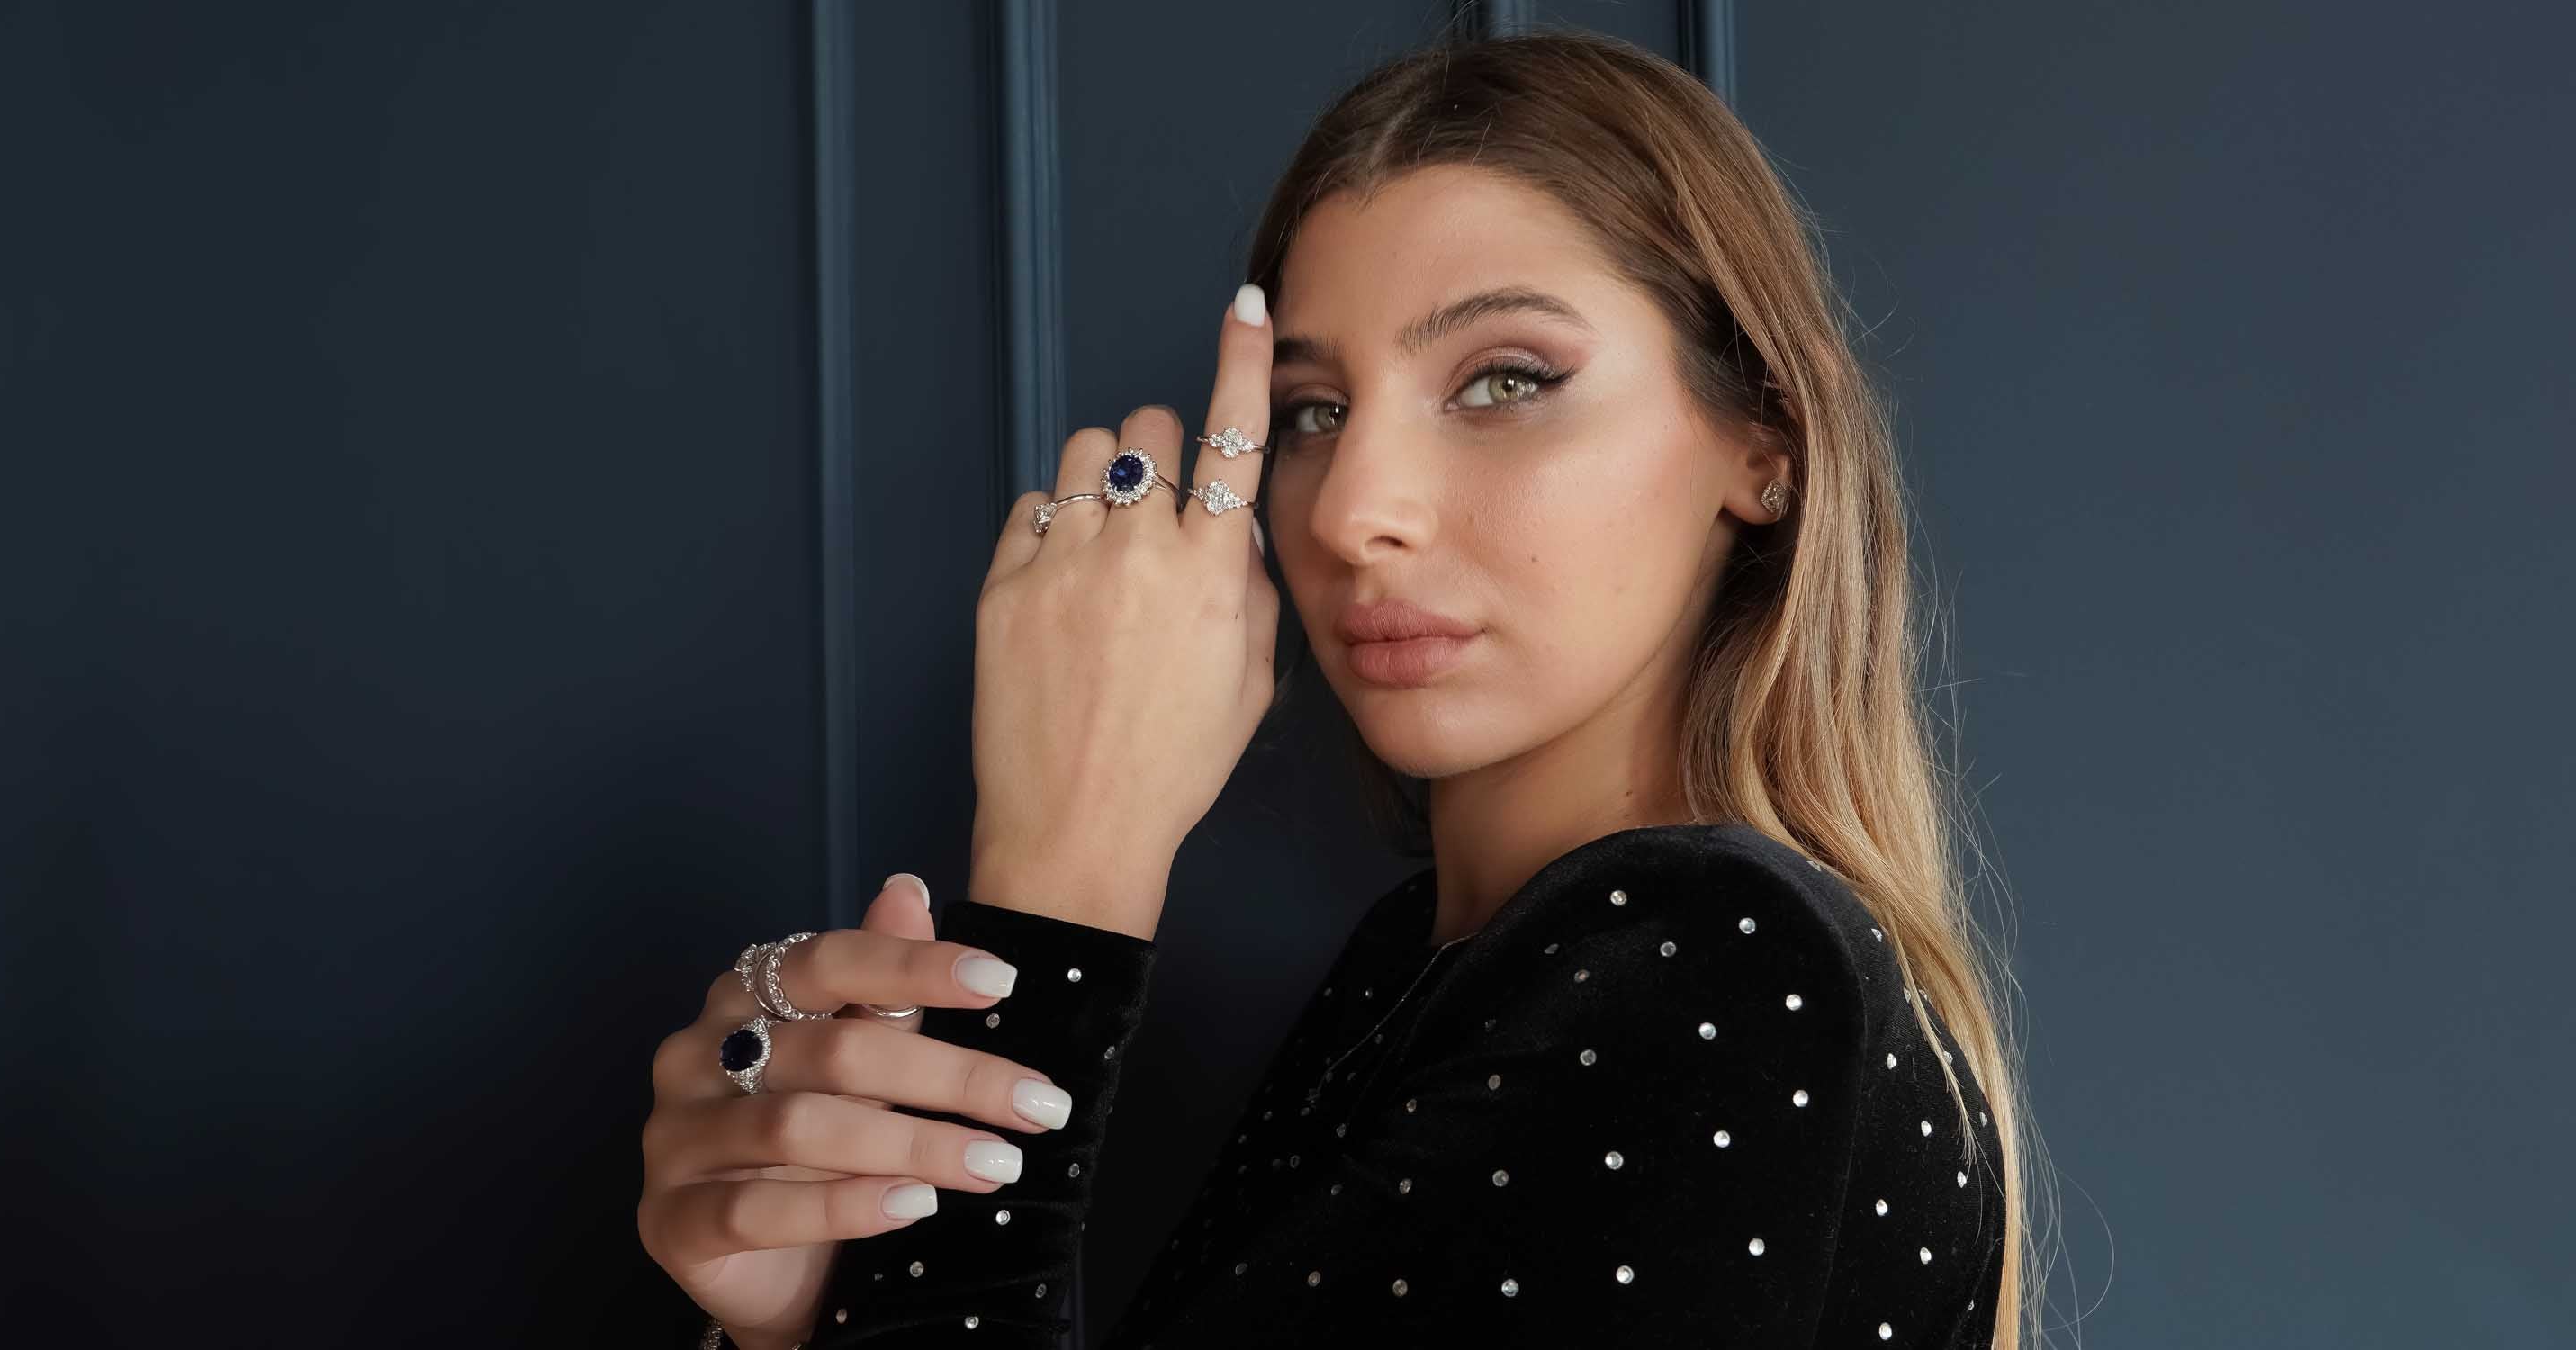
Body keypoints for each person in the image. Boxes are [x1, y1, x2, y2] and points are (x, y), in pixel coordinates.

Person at [635, 29, 2037, 1350]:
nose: (1355, 511)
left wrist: (1067, 861)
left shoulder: (1715, 955)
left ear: (1766, 446)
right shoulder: (1420, 971)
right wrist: (812, 1312)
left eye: (1504, 381)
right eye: (1313, 412)